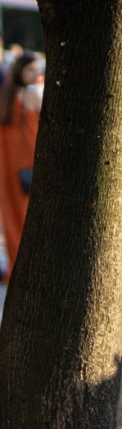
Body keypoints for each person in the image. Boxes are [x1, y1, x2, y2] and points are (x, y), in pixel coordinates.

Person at [0, 52, 42, 278]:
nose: (36, 74)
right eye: (31, 69)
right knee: (29, 218)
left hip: (8, 169)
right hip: (28, 166)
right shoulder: (32, 94)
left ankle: (15, 267)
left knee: (12, 217)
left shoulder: (6, 97)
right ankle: (29, 269)